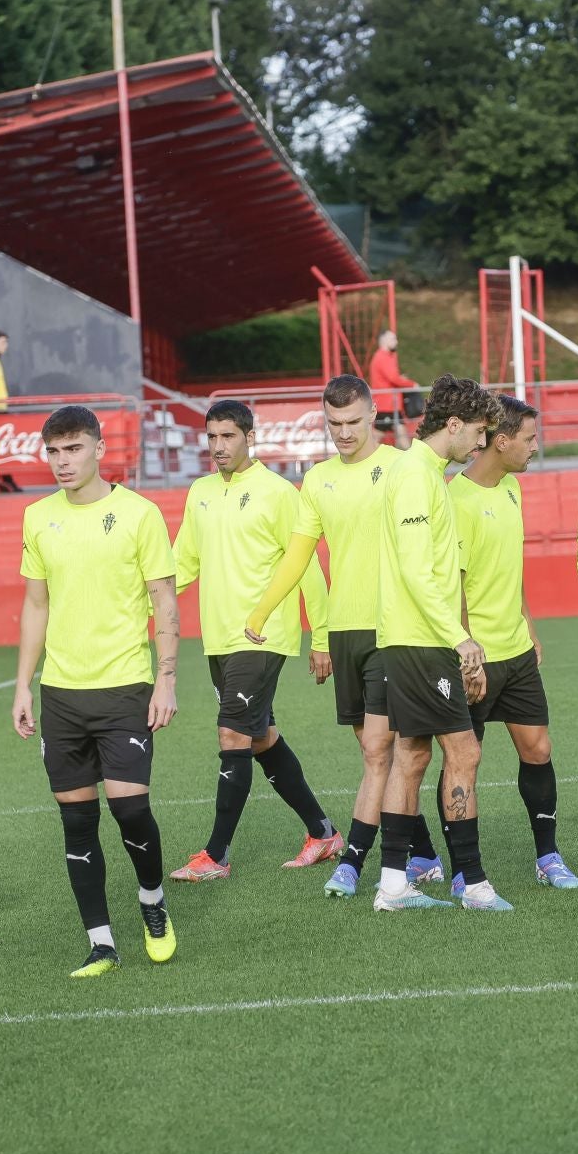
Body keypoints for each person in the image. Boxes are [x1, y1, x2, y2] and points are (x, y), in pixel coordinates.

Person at [245, 375, 445, 896]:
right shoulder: (316, 480)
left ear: (374, 413)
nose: (344, 432)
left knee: (380, 749)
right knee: (373, 754)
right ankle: (420, 850)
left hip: (392, 627)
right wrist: (265, 610)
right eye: (334, 424)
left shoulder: (403, 466)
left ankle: (355, 864)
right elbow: (299, 553)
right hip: (344, 632)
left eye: (353, 421)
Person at [12, 406, 179, 977]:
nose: (62, 462)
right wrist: (23, 688)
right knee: (77, 822)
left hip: (125, 687)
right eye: (53, 451)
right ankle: (101, 941)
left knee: (131, 811)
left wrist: (167, 677)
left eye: (73, 449)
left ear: (100, 449)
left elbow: (163, 598)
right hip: (61, 694)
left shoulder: (139, 514)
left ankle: (153, 902)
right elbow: (36, 605)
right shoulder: (37, 517)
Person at [170, 400, 341, 882]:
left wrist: (321, 637)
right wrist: (136, 605)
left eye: (228, 437)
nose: (218, 447)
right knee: (261, 737)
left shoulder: (278, 492)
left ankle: (215, 856)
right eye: (211, 437)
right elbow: (183, 562)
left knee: (232, 735)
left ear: (249, 437)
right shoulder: (199, 492)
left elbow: (306, 565)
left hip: (265, 636)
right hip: (218, 639)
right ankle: (323, 832)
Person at [371, 373, 511, 911]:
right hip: (421, 641)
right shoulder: (414, 475)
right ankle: (472, 883)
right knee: (465, 750)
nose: (482, 444)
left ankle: (392, 887)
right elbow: (414, 570)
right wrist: (460, 638)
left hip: (414, 637)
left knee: (411, 756)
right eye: (477, 432)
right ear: (452, 424)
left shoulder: (425, 472)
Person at [450, 394, 578, 891]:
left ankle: (548, 858)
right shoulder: (454, 500)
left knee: (539, 750)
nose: (535, 447)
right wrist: (466, 654)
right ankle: (465, 870)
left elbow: (510, 565)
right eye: (529, 438)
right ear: (500, 441)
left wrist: (527, 623)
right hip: (475, 658)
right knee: (464, 762)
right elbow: (454, 585)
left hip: (517, 653)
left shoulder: (510, 490)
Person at [367, 329, 420, 434]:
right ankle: (365, 450)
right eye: (393, 339)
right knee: (377, 436)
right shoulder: (383, 357)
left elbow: (392, 377)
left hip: (391, 404)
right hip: (386, 405)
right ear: (384, 341)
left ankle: (408, 451)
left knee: (401, 434)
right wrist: (412, 384)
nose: (396, 342)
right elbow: (394, 378)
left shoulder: (384, 356)